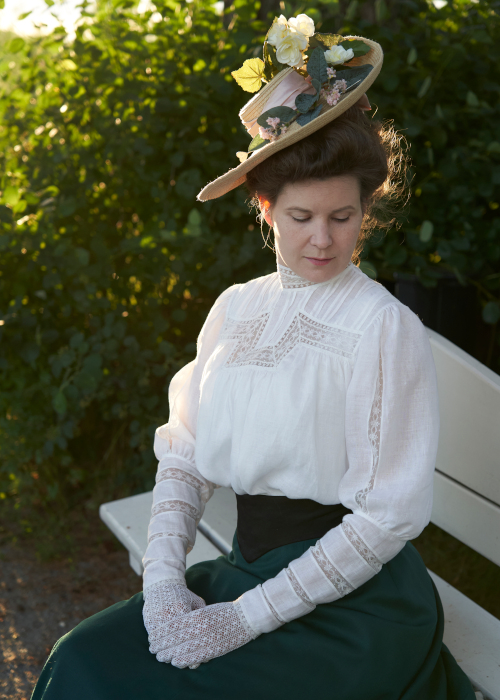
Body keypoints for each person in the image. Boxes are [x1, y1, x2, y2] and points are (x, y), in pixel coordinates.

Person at [31, 15, 477, 700]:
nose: (324, 240)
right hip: (246, 571)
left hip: (354, 605)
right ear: (264, 207)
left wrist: (242, 619)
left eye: (343, 216)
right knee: (82, 659)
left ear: (367, 211)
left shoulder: (384, 328)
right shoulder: (236, 307)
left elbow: (386, 519)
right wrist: (162, 587)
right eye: (302, 217)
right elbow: (184, 453)